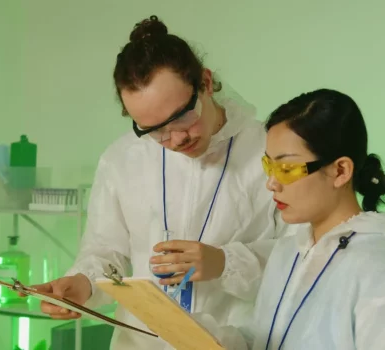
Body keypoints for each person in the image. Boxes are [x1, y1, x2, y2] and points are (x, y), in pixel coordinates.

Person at [29, 15, 296, 349]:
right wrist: (82, 284)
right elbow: (105, 250)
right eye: (154, 130)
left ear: (206, 83)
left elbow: (302, 256)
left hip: (233, 342)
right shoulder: (121, 159)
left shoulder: (268, 150)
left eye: (182, 116)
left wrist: (225, 262)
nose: (176, 138)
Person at [204, 88, 385, 349]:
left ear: (340, 170)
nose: (271, 183)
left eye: (286, 168)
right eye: (269, 166)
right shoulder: (289, 252)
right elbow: (266, 338)